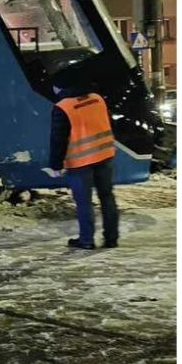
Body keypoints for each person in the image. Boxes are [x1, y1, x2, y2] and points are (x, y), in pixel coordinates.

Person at [45, 74, 119, 250]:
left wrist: (55, 165)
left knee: (84, 202)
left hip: (80, 162)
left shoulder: (63, 107)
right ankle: (111, 239)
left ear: (58, 87)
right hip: (104, 155)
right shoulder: (97, 99)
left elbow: (58, 139)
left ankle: (86, 241)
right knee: (107, 197)